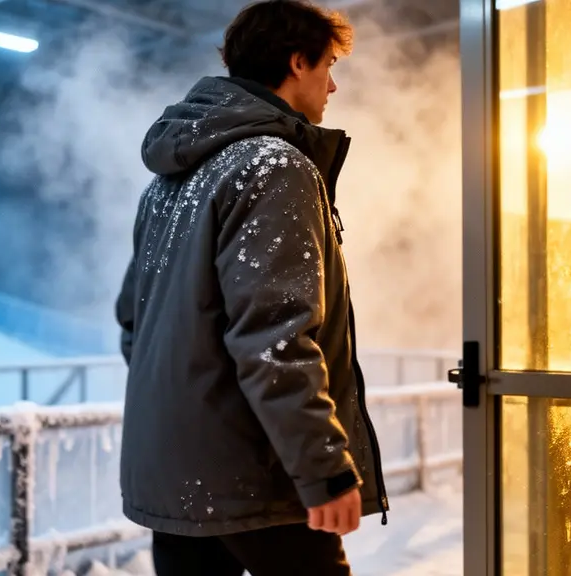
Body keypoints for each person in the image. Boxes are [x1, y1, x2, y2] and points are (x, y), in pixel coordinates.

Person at [114, 1, 388, 574]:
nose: (333, 85)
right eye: (329, 65)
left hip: (175, 479)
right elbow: (274, 336)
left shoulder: (171, 181)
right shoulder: (274, 165)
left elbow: (133, 322)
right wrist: (323, 468)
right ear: (296, 62)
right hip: (255, 478)